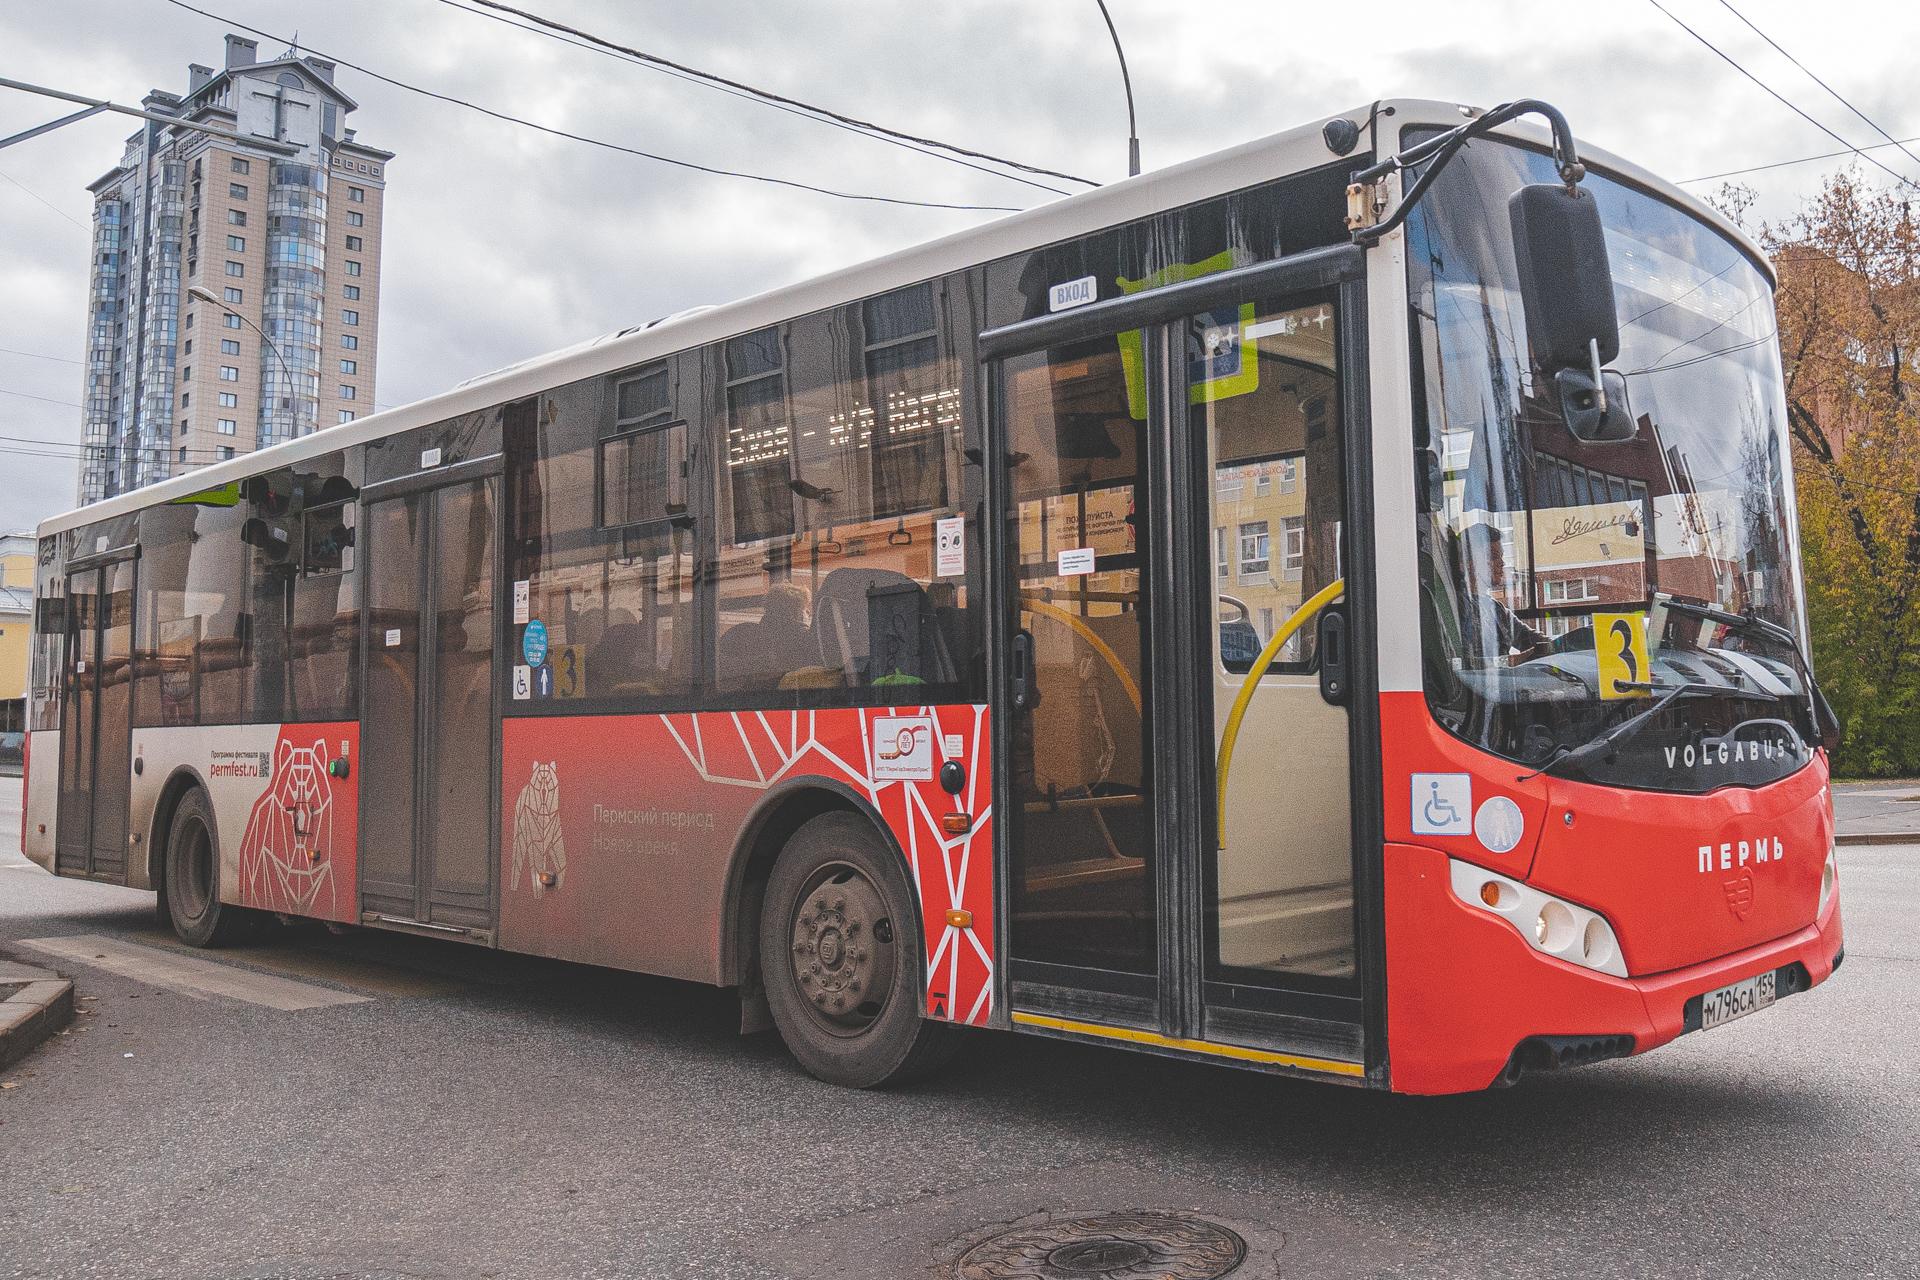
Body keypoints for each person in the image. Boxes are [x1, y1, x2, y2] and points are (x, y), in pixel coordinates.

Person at [1456, 523, 1553, 665]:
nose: (1502, 563)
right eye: (1493, 557)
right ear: (1466, 563)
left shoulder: (1496, 608)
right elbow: (1458, 664)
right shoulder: (1458, 605)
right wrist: (1511, 662)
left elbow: (1530, 638)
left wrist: (1564, 644)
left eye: (1501, 557)